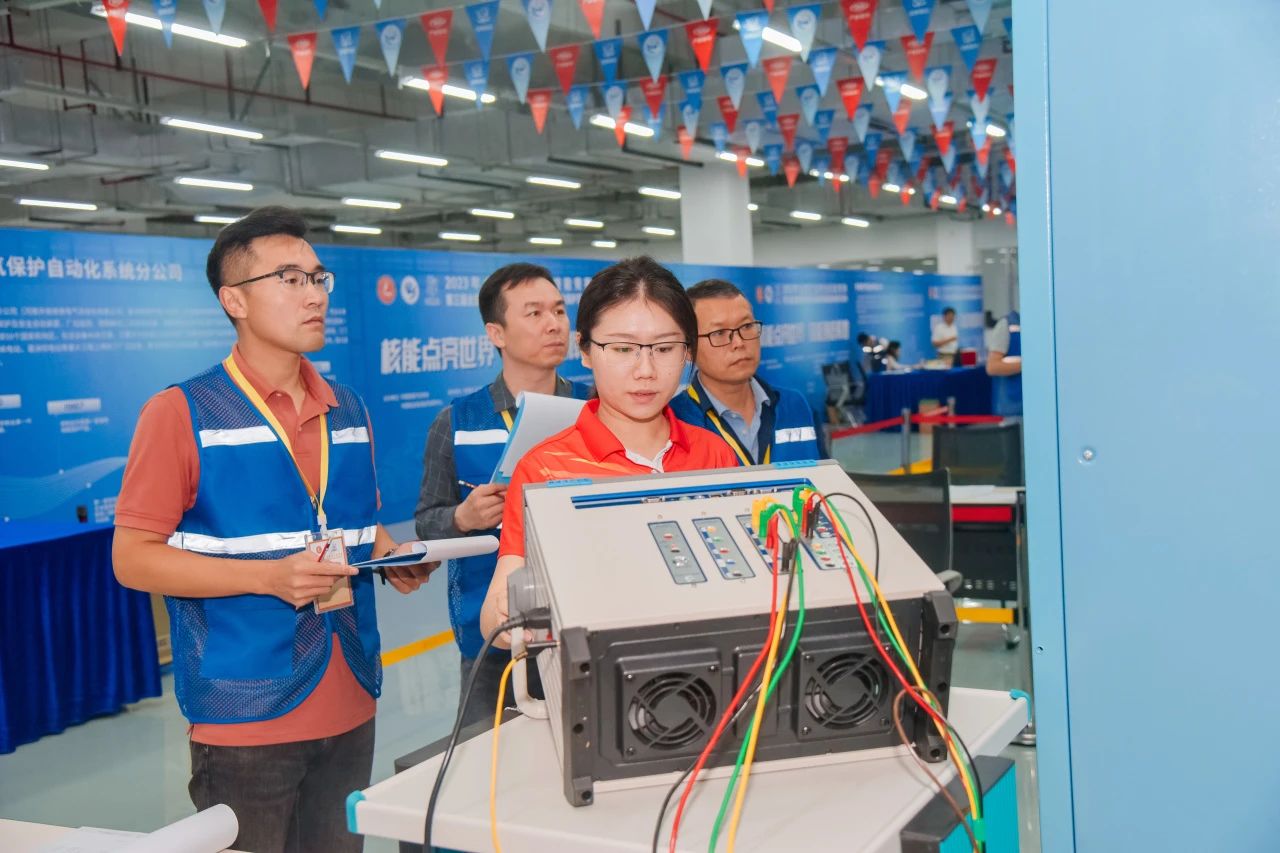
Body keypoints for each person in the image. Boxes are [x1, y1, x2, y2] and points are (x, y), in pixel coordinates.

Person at [112, 206, 433, 853]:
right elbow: (133, 558)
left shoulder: (349, 408)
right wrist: (267, 577)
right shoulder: (180, 412)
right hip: (245, 711)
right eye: (289, 279)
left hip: (351, 692)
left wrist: (394, 555)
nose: (314, 294)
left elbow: (358, 524)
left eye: (318, 277)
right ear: (234, 300)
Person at [479, 257, 738, 644]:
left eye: (665, 348)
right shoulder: (543, 469)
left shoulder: (715, 455)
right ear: (584, 349)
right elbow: (496, 610)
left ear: (688, 351)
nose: (645, 370)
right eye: (622, 349)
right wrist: (508, 619)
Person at [414, 262, 590, 727]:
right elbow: (426, 522)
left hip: (588, 622)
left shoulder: (597, 409)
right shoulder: (457, 422)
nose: (554, 324)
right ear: (496, 333)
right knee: (488, 760)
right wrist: (463, 518)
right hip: (494, 638)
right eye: (534, 313)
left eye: (559, 310)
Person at [668, 278, 823, 465]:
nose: (739, 343)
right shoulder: (674, 421)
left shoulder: (794, 404)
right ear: (689, 349)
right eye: (719, 333)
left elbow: (825, 477)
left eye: (747, 326)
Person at [986, 309, 1023, 417]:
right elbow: (992, 367)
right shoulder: (1007, 324)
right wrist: (1030, 365)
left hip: (1037, 405)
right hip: (1013, 410)